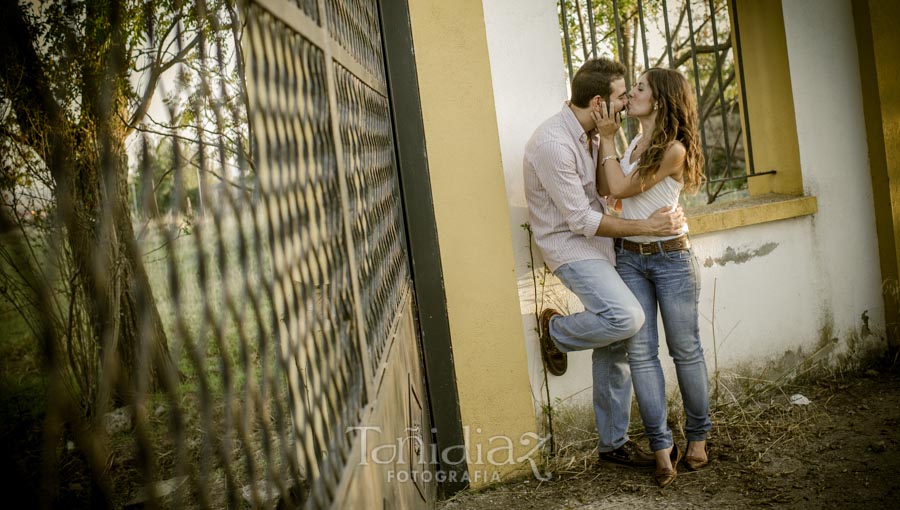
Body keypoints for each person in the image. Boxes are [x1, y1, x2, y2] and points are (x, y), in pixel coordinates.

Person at [523, 57, 685, 468]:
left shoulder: (596, 133)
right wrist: (647, 227)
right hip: (570, 247)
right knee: (627, 318)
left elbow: (611, 189)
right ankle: (556, 331)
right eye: (620, 95)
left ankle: (612, 445)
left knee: (616, 344)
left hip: (603, 246)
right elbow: (579, 220)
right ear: (598, 102)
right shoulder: (552, 143)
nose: (626, 100)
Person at [593, 67, 711, 487]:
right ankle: (662, 447)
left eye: (639, 88)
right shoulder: (634, 143)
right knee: (641, 355)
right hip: (630, 259)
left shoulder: (674, 149)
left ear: (659, 99)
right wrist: (608, 146)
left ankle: (698, 436)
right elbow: (611, 188)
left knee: (685, 351)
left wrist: (606, 137)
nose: (631, 95)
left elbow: (621, 189)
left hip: (671, 259)